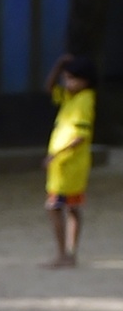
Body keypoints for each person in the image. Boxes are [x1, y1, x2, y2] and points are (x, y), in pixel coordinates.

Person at [43, 53, 97, 269]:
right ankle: (68, 254)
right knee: (70, 207)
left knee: (55, 206)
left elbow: (80, 136)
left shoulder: (85, 100)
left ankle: (64, 254)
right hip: (63, 165)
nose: (68, 83)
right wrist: (58, 66)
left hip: (69, 163)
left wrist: (56, 154)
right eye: (66, 78)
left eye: (73, 78)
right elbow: (49, 88)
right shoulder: (70, 97)